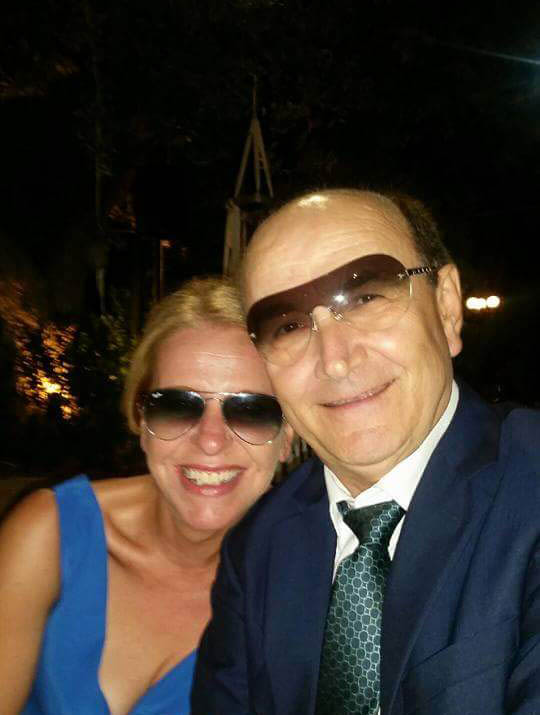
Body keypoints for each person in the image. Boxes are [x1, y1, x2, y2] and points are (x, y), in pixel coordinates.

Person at [192, 190, 540, 714]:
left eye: (367, 298)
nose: (334, 360)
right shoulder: (258, 549)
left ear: (446, 308)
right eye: (288, 325)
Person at [0, 276, 292, 715]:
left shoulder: (301, 589)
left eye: (251, 411)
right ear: (141, 420)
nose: (211, 440)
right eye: (177, 406)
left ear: (287, 437)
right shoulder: (51, 533)